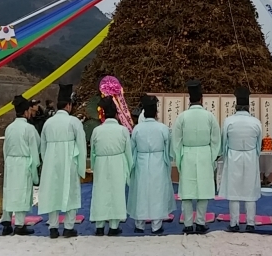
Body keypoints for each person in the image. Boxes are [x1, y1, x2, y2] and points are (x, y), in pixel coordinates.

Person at [38, 84, 87, 239]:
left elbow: (43, 146)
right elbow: (81, 144)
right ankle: (68, 227)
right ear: (68, 105)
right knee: (70, 192)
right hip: (69, 160)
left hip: (51, 160)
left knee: (53, 192)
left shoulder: (48, 122)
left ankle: (53, 227)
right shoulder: (74, 122)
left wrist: (46, 161)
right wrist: (81, 166)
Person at [172, 79, 221, 235]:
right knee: (202, 192)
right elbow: (216, 140)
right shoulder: (209, 116)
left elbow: (176, 141)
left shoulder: (182, 117)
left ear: (189, 99)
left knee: (187, 192)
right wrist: (211, 157)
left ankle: (187, 223)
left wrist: (179, 160)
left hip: (187, 154)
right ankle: (200, 222)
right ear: (202, 99)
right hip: (205, 154)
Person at [128, 95, 174, 235]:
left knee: (140, 191)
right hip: (158, 160)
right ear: (156, 113)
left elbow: (132, 148)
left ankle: (139, 224)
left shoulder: (137, 129)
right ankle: (156, 224)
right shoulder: (162, 128)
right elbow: (169, 148)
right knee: (157, 191)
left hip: (141, 160)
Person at [219, 87, 262, 233]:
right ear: (249, 106)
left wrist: (226, 155)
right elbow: (259, 145)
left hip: (233, 156)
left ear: (235, 105)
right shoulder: (256, 122)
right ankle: (250, 223)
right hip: (250, 156)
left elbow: (224, 142)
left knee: (234, 191)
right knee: (250, 191)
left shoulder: (228, 121)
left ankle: (234, 223)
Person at [90, 96, 133, 236]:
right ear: (116, 114)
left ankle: (99, 225)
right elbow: (128, 152)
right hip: (118, 162)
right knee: (116, 193)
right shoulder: (122, 130)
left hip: (101, 163)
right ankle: (114, 226)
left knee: (100, 193)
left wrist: (94, 167)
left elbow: (93, 152)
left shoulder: (97, 130)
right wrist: (129, 169)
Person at [1, 95, 40, 237]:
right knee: (22, 192)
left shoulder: (9, 128)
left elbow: (5, 148)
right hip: (23, 162)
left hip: (11, 162)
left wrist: (7, 161)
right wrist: (36, 164)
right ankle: (19, 224)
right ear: (26, 112)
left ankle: (6, 221)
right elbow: (35, 147)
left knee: (9, 190)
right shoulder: (29, 129)